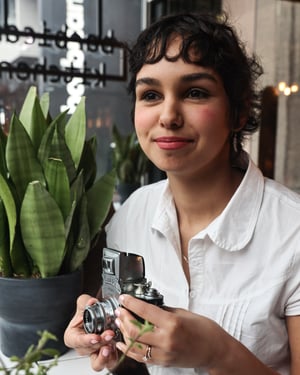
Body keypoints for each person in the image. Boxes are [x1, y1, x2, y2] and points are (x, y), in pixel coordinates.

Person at [64, 12, 300, 375]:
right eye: (151, 94)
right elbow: (132, 354)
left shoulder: (292, 231)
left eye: (194, 92)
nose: (168, 115)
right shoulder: (132, 213)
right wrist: (104, 339)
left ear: (238, 112)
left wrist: (218, 352)